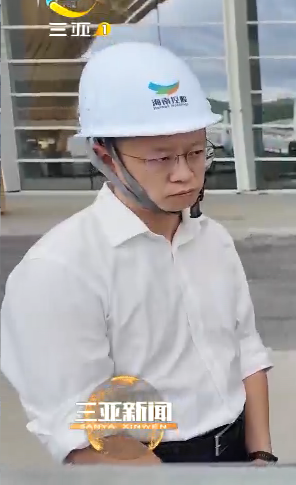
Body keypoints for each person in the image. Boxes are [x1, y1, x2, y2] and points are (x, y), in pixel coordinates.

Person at [0, 42, 276, 465]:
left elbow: (246, 351)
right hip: (143, 465)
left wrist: (261, 456)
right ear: (105, 156)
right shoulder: (58, 271)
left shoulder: (213, 240)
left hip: (239, 450)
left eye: (196, 152)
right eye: (160, 158)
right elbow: (79, 425)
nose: (185, 174)